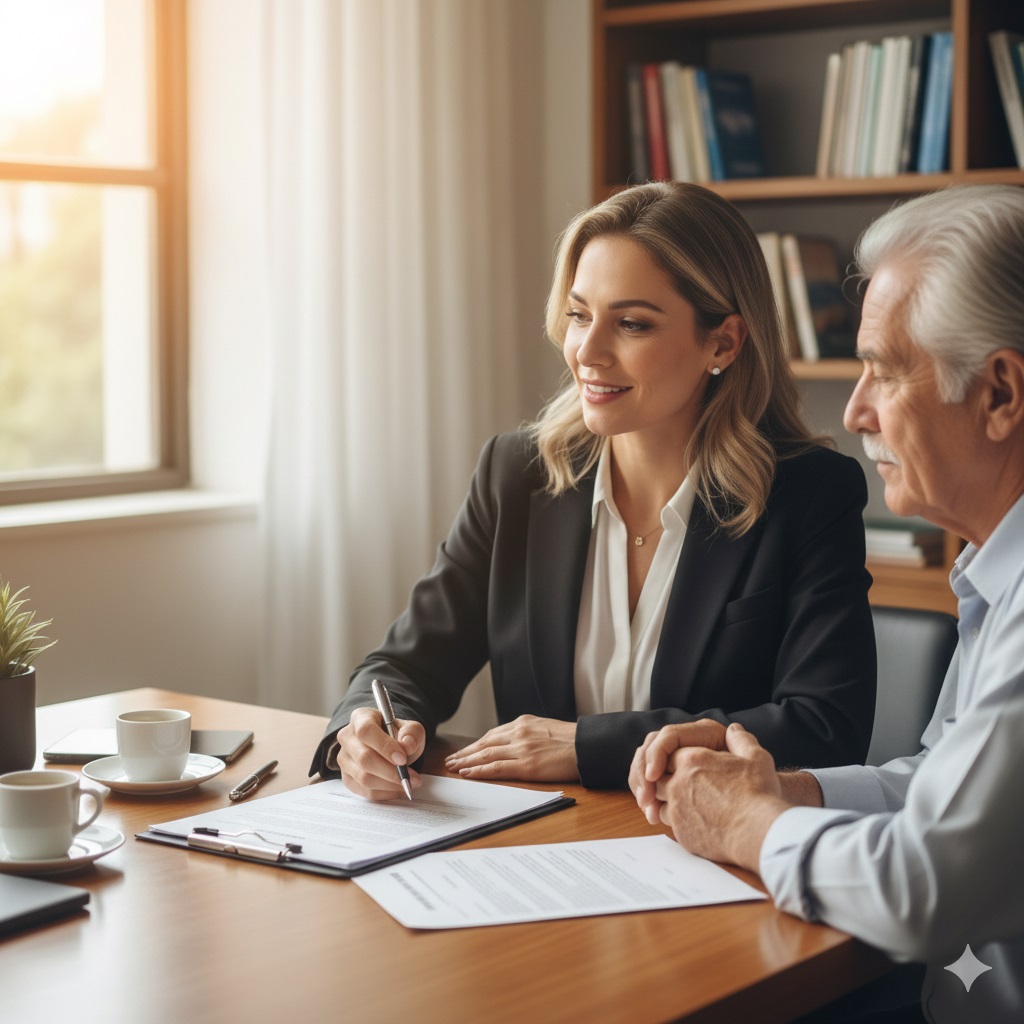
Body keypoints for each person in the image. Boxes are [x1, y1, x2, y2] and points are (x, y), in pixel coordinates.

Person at [310, 181, 875, 796]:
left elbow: (825, 728)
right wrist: (362, 728)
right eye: (579, 314)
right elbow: (404, 665)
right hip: (535, 851)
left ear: (723, 341)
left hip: (708, 851)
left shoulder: (809, 495)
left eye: (631, 323)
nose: (587, 351)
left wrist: (586, 747)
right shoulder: (516, 473)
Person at [630, 183, 1024, 1024]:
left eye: (884, 369)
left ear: (1000, 395)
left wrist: (747, 826)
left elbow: (926, 885)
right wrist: (788, 790)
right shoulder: (998, 572)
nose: (853, 411)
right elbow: (945, 791)